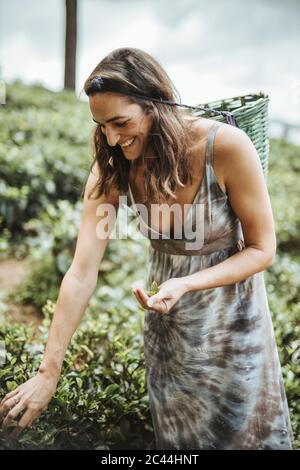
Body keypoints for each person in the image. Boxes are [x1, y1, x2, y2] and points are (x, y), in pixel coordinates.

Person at [0, 47, 294, 450]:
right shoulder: (113, 164)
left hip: (233, 330)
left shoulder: (225, 147)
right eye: (101, 125)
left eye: (121, 122)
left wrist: (187, 284)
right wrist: (49, 371)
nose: (112, 138)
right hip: (168, 329)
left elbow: (263, 249)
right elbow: (82, 272)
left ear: (156, 104)